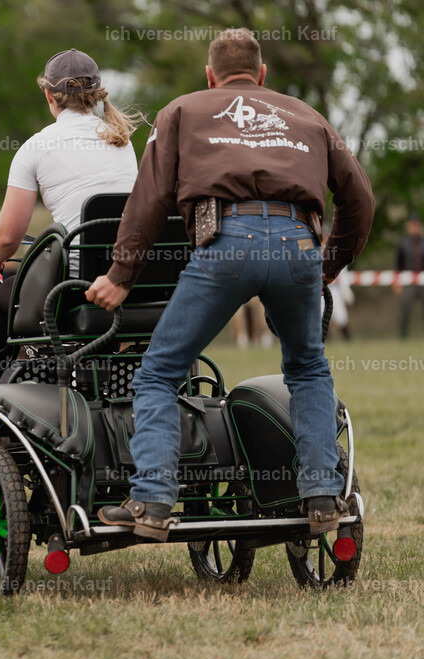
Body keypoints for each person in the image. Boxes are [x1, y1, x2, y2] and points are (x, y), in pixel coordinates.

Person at [86, 29, 374, 539]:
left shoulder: (182, 111)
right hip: (298, 243)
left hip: (227, 241)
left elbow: (150, 198)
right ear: (262, 74)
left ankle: (152, 501)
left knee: (158, 372)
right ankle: (322, 493)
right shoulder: (307, 115)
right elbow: (360, 200)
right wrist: (328, 264)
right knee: (307, 369)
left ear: (210, 75)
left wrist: (120, 274)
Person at [0, 48, 140, 388]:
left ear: (49, 96)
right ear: (96, 95)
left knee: (0, 292)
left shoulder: (35, 148)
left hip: (73, 290)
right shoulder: (123, 141)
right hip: (131, 284)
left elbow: (7, 240)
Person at [393, 213, 424, 339]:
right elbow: (398, 264)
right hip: (408, 281)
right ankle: (403, 337)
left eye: (416, 226)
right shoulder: (403, 243)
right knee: (405, 309)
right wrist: (397, 281)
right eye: (412, 226)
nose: (414, 228)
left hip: (422, 281)